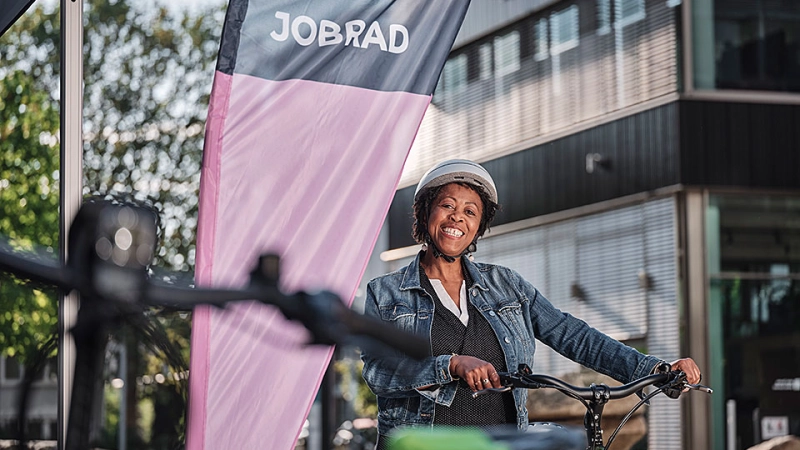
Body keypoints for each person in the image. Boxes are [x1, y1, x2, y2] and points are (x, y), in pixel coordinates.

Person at [360, 159, 702, 447]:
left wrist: (655, 370)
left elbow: (573, 335)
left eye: (470, 211)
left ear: (478, 227)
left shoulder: (506, 285)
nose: (457, 218)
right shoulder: (387, 292)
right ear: (426, 212)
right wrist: (449, 365)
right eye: (447, 205)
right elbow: (379, 373)